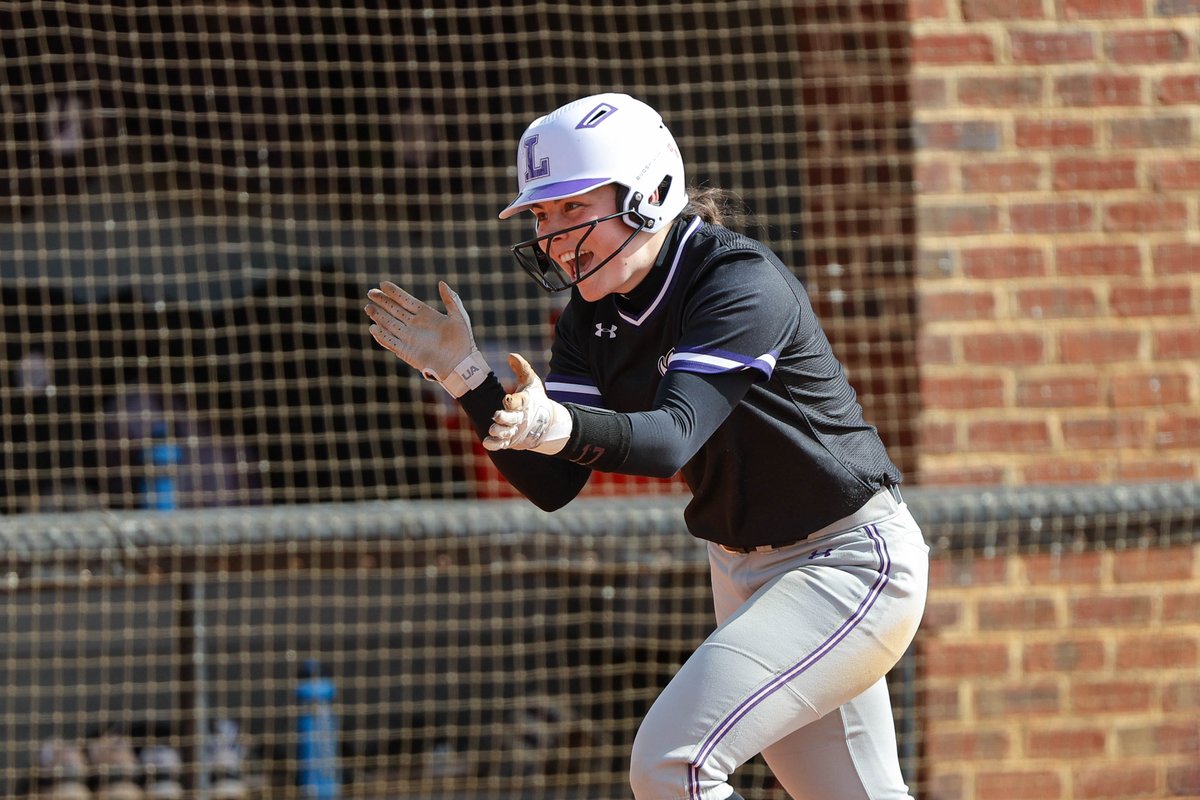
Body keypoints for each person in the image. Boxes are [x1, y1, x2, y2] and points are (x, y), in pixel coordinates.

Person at [365, 92, 929, 800]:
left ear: (652, 191)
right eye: (544, 215)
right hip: (745, 568)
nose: (555, 236)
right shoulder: (590, 314)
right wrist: (466, 376)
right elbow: (554, 484)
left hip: (846, 561)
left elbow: (671, 437)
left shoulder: (735, 279)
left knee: (672, 765)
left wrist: (557, 427)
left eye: (574, 208)